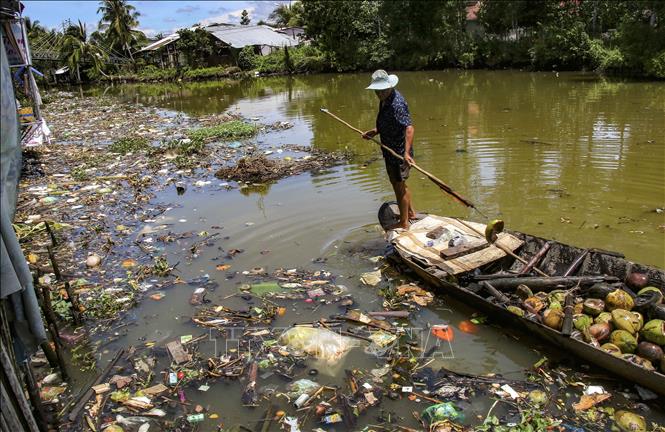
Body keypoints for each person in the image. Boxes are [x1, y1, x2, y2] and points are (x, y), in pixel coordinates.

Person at [362, 69, 415, 230]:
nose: (379, 94)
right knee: (399, 184)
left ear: (390, 87)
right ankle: (411, 213)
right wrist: (376, 131)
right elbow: (389, 122)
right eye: (377, 91)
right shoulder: (384, 99)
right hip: (389, 150)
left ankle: (404, 222)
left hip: (398, 153)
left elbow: (409, 128)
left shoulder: (396, 104)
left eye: (383, 90)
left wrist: (406, 153)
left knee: (399, 187)